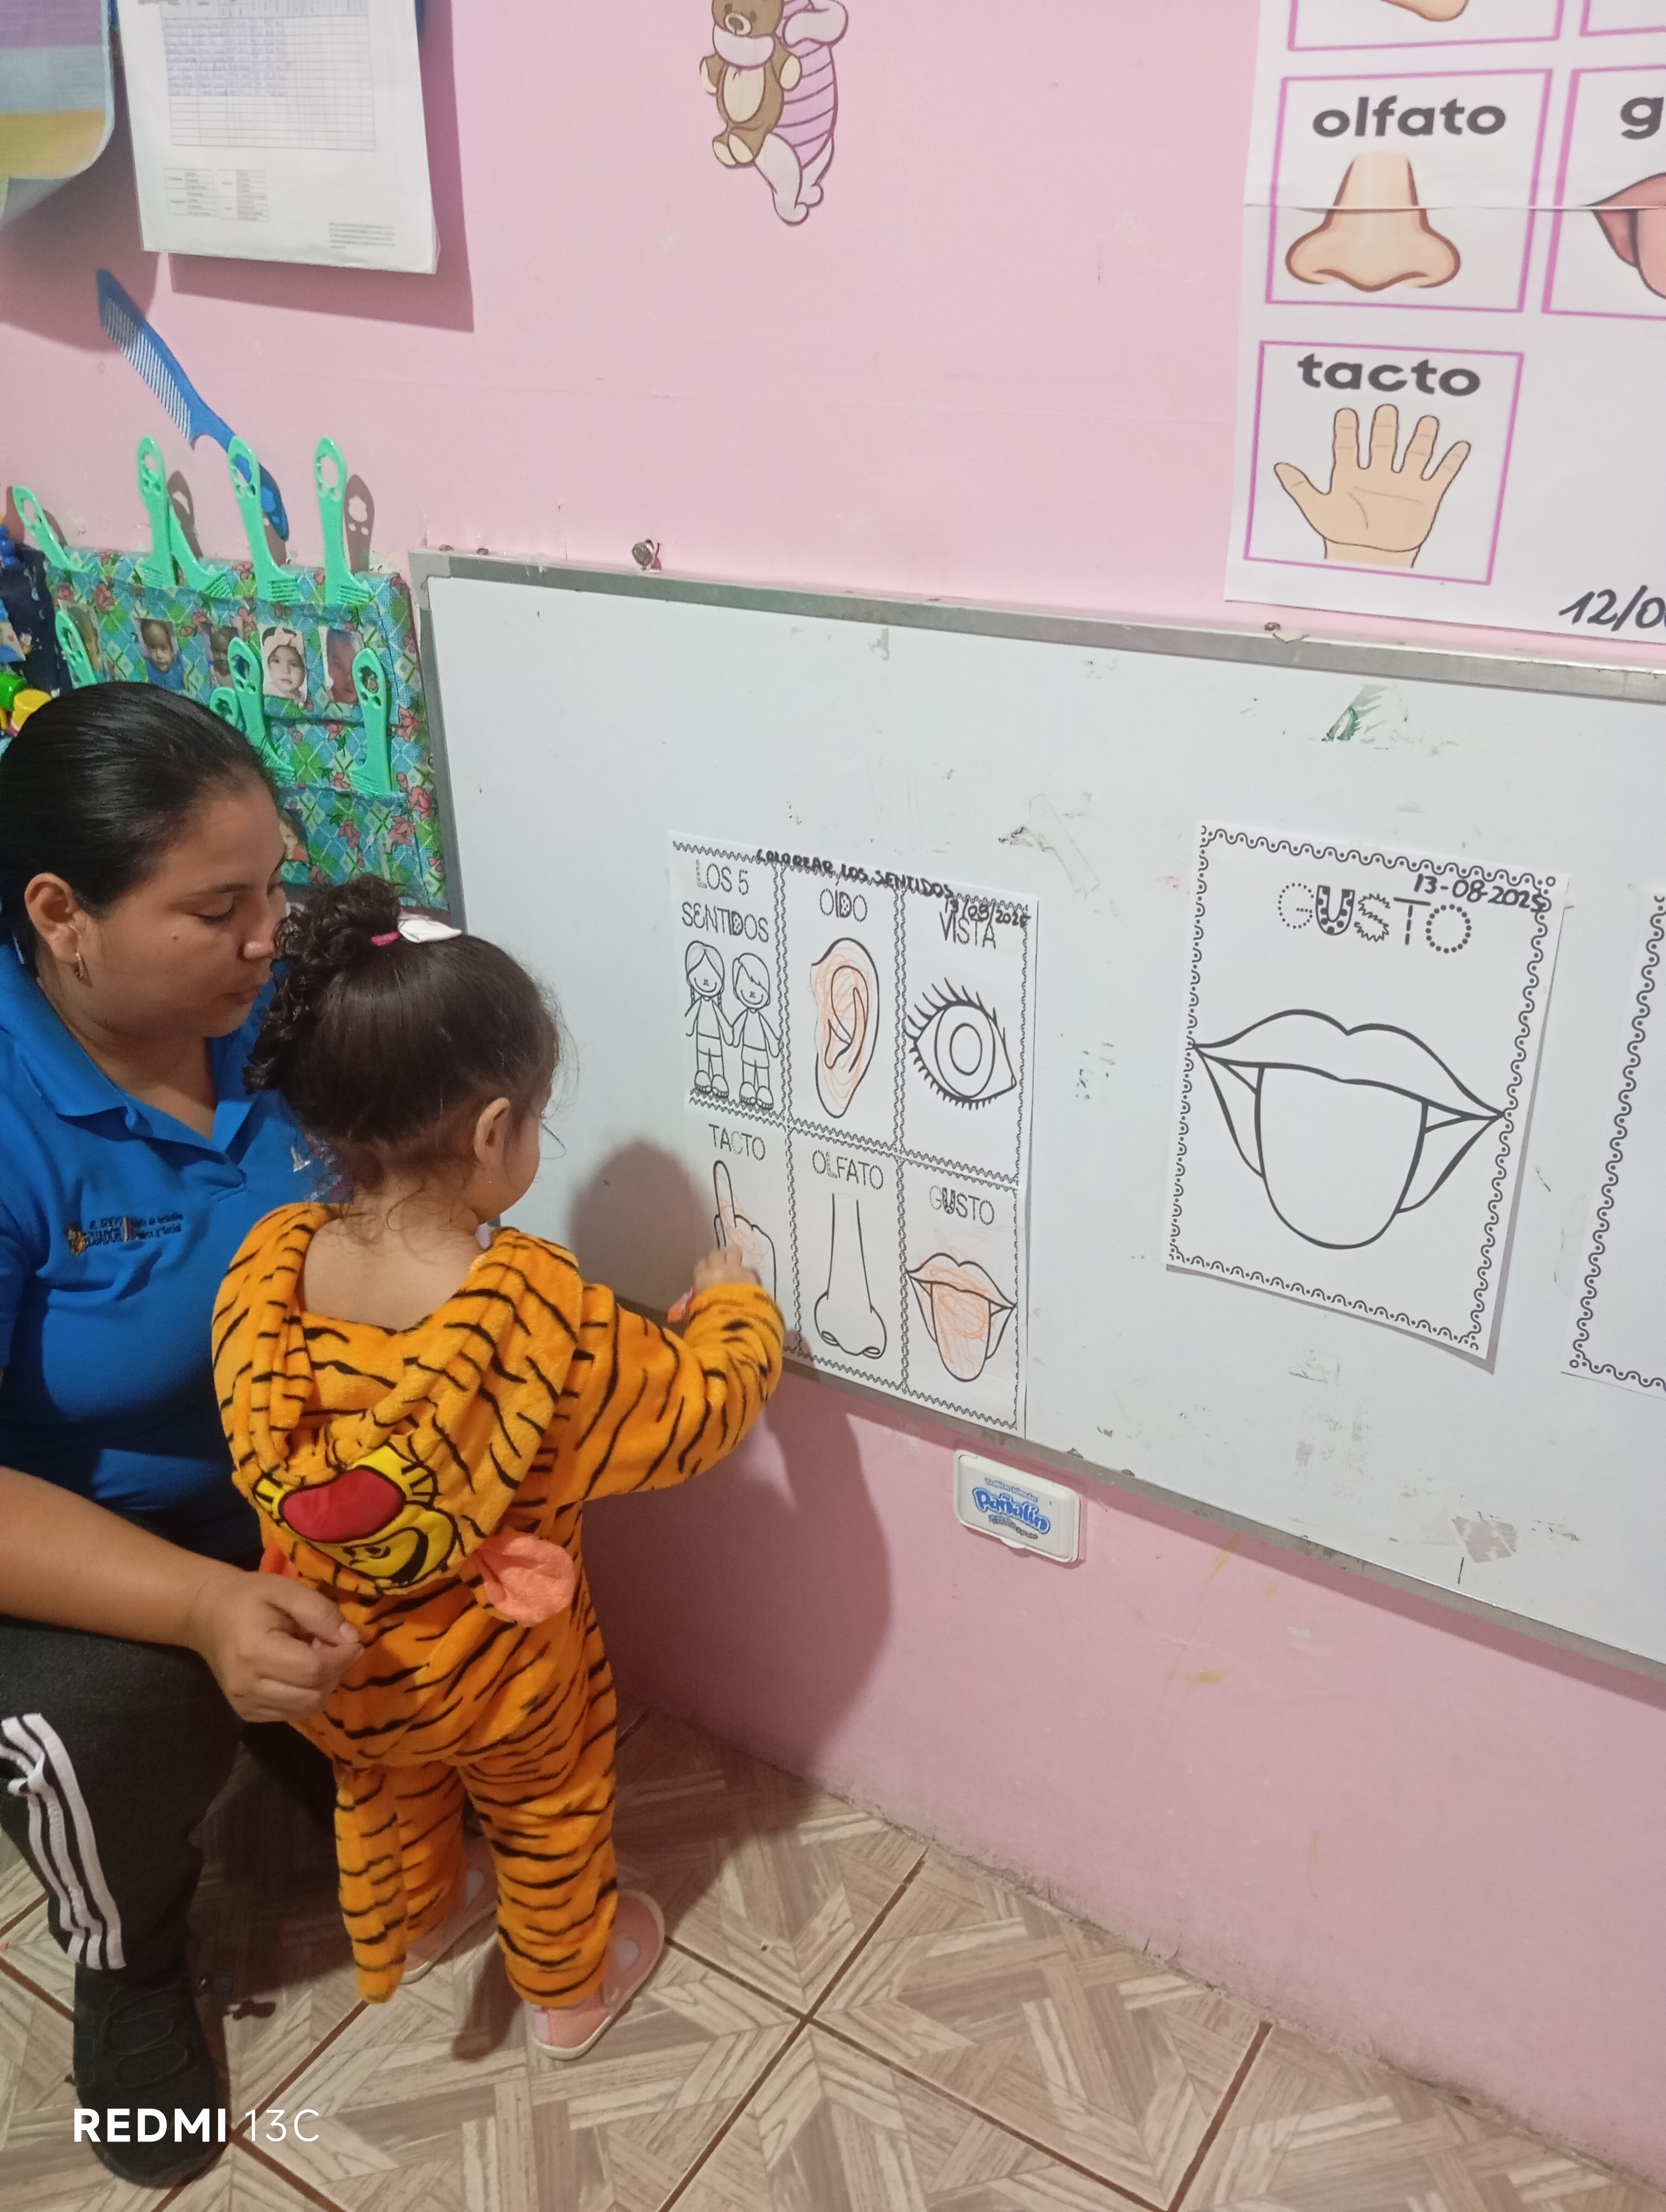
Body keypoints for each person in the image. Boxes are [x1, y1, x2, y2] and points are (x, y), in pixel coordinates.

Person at [214, 877, 782, 2056]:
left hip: (346, 1664)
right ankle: (570, 1991)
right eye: (535, 1121)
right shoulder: (540, 1326)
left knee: (387, 1789)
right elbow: (694, 1415)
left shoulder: (262, 1281)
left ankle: (418, 1921)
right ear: (491, 1134)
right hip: (506, 1675)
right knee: (548, 1810)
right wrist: (735, 1314)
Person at [0, 687, 359, 2189]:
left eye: (275, 886)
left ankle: (297, 1729)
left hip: (286, 1472)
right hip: (76, 1532)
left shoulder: (277, 1014)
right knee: (107, 1717)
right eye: (218, 909)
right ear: (61, 916)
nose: (270, 936)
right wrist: (207, 1606)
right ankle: (130, 1952)